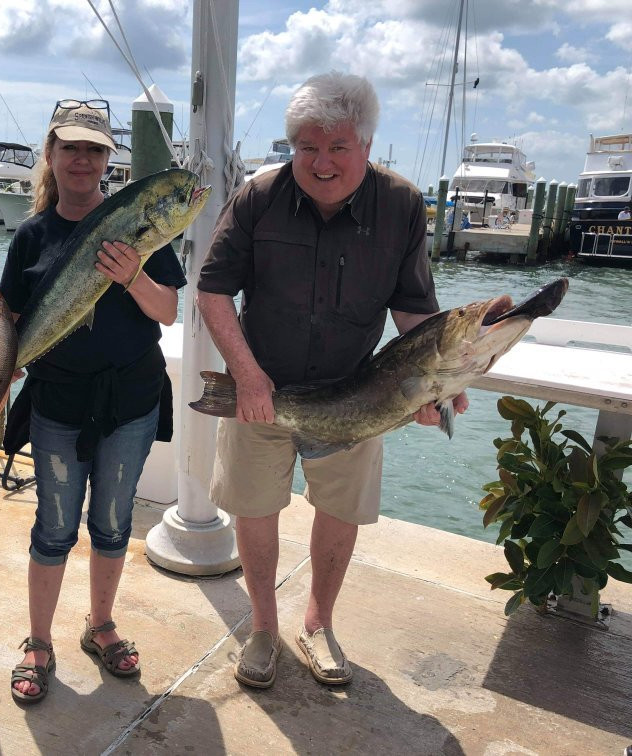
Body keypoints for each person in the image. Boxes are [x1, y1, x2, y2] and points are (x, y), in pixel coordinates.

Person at [196, 72, 468, 690]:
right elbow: (212, 292)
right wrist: (247, 376)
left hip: (358, 393)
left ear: (367, 147)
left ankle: (318, 623)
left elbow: (415, 313)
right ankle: (263, 627)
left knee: (339, 510)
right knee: (255, 509)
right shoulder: (257, 197)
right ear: (292, 146)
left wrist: (435, 389)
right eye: (307, 147)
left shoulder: (401, 204)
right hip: (259, 387)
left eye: (338, 146)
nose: (321, 162)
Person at [0, 99, 186, 704]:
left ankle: (99, 626)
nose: (82, 159)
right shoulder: (31, 235)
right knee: (53, 528)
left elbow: (167, 310)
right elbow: (11, 322)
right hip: (56, 402)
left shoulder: (139, 222)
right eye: (71, 147)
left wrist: (134, 277)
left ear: (109, 159)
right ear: (51, 155)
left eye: (95, 149)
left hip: (129, 402)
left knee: (111, 524)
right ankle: (38, 641)